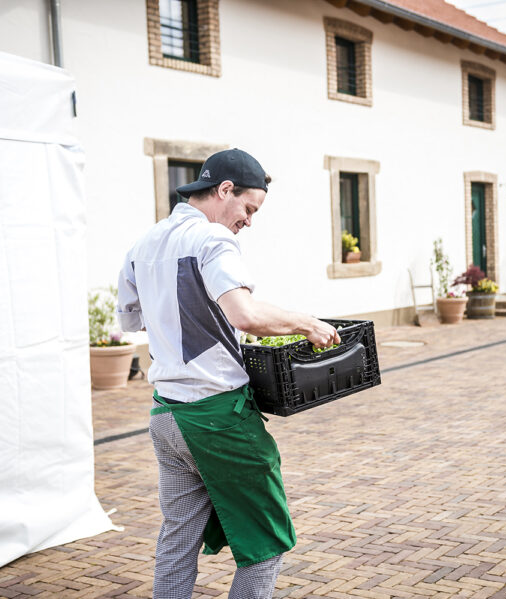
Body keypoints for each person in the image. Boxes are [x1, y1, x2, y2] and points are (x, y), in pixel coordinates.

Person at [116, 148, 340, 599]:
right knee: (265, 541)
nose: (249, 221)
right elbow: (244, 315)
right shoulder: (212, 239)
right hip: (218, 416)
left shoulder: (143, 243)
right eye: (249, 208)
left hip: (167, 417)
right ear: (224, 190)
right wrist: (307, 323)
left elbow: (130, 321)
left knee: (177, 543)